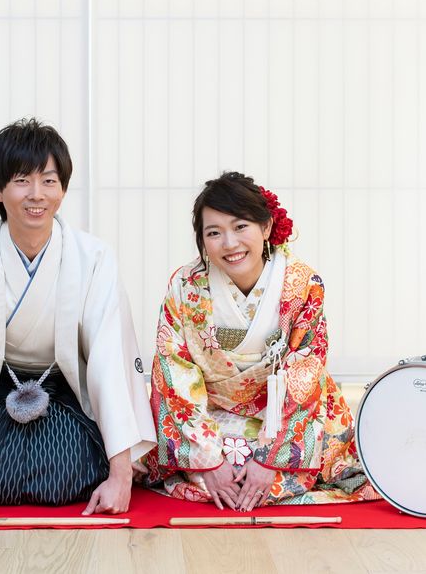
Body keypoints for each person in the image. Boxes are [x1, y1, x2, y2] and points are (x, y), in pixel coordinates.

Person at [0, 118, 156, 517]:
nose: (37, 194)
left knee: (71, 473)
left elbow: (110, 357)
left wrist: (121, 473)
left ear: (63, 188)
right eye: (22, 180)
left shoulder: (93, 257)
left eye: (49, 181)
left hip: (65, 387)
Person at [144, 172, 378, 511]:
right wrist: (209, 459)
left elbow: (306, 372)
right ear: (202, 240)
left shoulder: (302, 284)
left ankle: (263, 471)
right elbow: (174, 372)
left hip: (282, 415)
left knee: (284, 464)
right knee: (217, 466)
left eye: (241, 227)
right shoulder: (185, 286)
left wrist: (271, 459)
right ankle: (216, 470)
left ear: (266, 227)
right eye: (214, 232)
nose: (229, 243)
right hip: (212, 410)